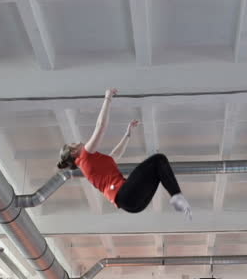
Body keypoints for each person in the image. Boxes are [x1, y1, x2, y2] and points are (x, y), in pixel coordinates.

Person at [57, 88, 191, 218]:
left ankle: (176, 196)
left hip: (134, 205)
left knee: (158, 170)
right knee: (158, 159)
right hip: (125, 194)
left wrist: (127, 135)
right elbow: (100, 126)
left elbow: (115, 155)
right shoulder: (85, 156)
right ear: (73, 152)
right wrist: (108, 98)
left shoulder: (91, 165)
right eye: (73, 143)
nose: (78, 142)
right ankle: (176, 196)